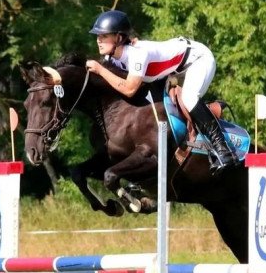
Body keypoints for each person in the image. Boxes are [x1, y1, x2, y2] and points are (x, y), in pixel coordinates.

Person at [85, 10, 239, 175]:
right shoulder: (112, 58)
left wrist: (100, 70)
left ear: (119, 38)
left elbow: (129, 89)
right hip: (172, 71)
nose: (98, 40)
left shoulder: (138, 54)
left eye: (103, 36)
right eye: (98, 36)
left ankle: (223, 150)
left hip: (197, 60)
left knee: (188, 98)